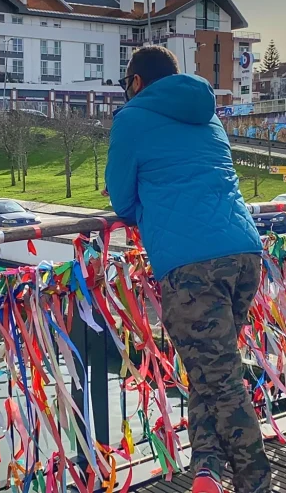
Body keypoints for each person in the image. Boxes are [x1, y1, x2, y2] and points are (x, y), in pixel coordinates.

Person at [105, 46, 270, 493]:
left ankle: (256, 483)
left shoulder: (132, 119)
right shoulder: (208, 115)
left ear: (136, 82)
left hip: (191, 266)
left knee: (222, 382)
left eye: (126, 84)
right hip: (243, 255)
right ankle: (207, 473)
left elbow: (121, 201)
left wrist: (153, 210)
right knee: (209, 371)